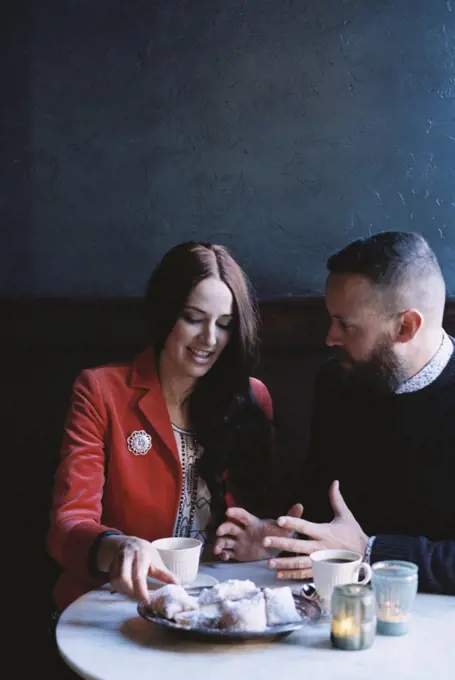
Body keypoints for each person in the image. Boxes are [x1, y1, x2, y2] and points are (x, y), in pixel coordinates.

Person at [47, 241, 296, 612]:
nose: (209, 339)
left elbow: (261, 517)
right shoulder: (101, 391)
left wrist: (263, 539)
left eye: (224, 325)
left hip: (214, 606)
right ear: (165, 314)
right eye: (194, 318)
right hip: (117, 604)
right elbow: (67, 526)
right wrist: (118, 546)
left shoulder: (253, 398)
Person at [214, 231, 455, 595]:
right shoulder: (337, 381)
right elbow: (320, 501)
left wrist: (369, 551)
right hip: (339, 606)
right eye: (331, 319)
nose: (330, 337)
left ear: (405, 327)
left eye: (346, 325)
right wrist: (281, 536)